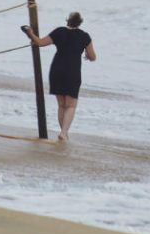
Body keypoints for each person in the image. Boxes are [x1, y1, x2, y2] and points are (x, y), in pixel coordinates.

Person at [23, 12, 96, 141]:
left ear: (67, 20)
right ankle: (63, 132)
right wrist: (85, 53)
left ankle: (64, 133)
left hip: (57, 69)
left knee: (62, 105)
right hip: (72, 71)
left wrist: (30, 34)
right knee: (71, 105)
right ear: (80, 23)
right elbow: (93, 57)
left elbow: (40, 43)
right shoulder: (84, 36)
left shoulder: (59, 31)